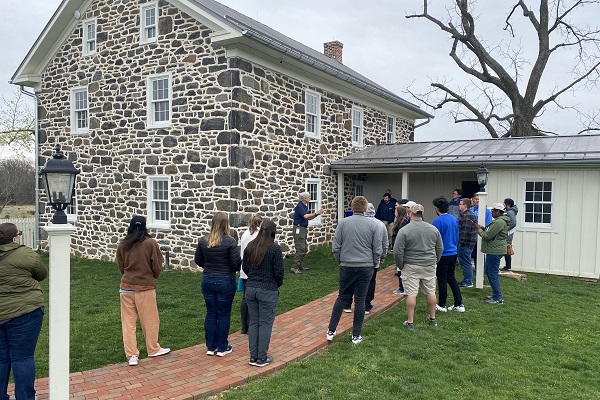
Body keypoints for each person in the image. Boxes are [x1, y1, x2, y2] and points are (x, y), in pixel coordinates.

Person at [326, 196, 383, 345]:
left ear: (352, 208)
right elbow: (377, 248)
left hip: (347, 265)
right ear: (365, 208)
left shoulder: (343, 223)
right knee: (360, 300)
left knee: (342, 297)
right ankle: (356, 335)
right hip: (366, 266)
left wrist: (341, 261)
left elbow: (336, 247)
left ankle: (331, 330)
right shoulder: (374, 225)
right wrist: (375, 263)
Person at [0, 223, 47, 400]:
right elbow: (41, 274)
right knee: (22, 358)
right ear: (14, 238)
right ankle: (26, 397)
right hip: (25, 312)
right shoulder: (26, 254)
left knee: (2, 359)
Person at [116, 216, 170, 367]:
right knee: (150, 320)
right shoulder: (151, 243)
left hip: (125, 288)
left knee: (128, 323)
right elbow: (157, 265)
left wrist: (127, 276)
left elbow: (120, 265)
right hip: (145, 288)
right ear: (145, 227)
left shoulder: (123, 244)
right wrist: (153, 276)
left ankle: (132, 355)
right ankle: (153, 348)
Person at [195, 212, 241, 357]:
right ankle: (222, 347)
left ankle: (210, 346)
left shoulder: (204, 241)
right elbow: (236, 264)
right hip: (225, 280)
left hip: (208, 279)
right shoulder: (230, 242)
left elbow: (198, 260)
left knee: (211, 313)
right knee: (223, 314)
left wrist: (209, 266)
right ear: (225, 224)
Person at [393, 204, 443, 330]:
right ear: (422, 214)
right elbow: (440, 248)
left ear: (411, 214)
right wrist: (435, 260)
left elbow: (397, 251)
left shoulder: (404, 230)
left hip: (411, 265)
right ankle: (432, 318)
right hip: (429, 265)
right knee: (431, 291)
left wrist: (400, 265)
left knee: (411, 293)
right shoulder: (433, 229)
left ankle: (410, 321)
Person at [242, 220, 284, 367]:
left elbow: (245, 268)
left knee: (254, 322)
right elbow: (279, 273)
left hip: (251, 289)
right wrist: (275, 284)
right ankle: (261, 357)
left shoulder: (250, 247)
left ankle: (253, 356)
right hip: (267, 290)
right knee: (265, 324)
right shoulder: (274, 249)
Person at [343, 203, 388, 314]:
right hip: (370, 260)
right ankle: (366, 305)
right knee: (370, 282)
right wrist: (382, 256)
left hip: (350, 259)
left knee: (350, 282)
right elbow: (384, 243)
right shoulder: (379, 224)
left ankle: (347, 304)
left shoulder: (349, 222)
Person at [432, 197, 465, 313]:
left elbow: (434, 239)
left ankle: (442, 304)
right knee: (451, 278)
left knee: (441, 279)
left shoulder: (437, 222)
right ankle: (459, 303)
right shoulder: (453, 219)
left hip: (443, 254)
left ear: (437, 209)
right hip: (453, 252)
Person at [473, 203, 511, 304]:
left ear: (498, 212)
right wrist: (483, 228)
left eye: (493, 211)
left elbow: (487, 236)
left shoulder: (499, 222)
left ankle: (498, 297)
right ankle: (495, 295)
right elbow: (492, 233)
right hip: (494, 250)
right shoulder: (499, 222)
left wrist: (478, 229)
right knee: (490, 272)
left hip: (495, 251)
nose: (491, 212)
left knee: (492, 274)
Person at [239, 213, 263, 334]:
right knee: (255, 299)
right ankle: (253, 325)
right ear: (260, 223)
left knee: (245, 298)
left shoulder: (244, 234)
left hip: (244, 269)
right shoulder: (260, 234)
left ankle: (244, 326)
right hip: (255, 270)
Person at [291, 192, 323, 274]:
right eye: (308, 197)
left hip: (303, 229)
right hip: (299, 229)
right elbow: (305, 216)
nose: (310, 198)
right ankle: (295, 267)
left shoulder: (304, 206)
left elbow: (308, 218)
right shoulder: (300, 206)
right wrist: (316, 213)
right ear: (304, 198)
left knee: (304, 248)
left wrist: (316, 215)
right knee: (300, 248)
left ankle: (300, 266)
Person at [457, 198, 478, 288]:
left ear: (465, 206)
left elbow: (465, 232)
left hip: (465, 244)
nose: (459, 205)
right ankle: (468, 279)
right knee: (466, 262)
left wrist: (461, 243)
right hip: (468, 243)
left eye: (461, 204)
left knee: (465, 262)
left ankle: (468, 281)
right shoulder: (467, 215)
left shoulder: (466, 216)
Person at [470, 193, 493, 269]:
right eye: (476, 199)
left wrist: (481, 228)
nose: (477, 201)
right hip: (470, 235)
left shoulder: (486, 211)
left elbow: (488, 224)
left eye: (479, 199)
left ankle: (481, 270)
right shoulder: (471, 210)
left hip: (480, 235)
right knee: (472, 253)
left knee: (479, 254)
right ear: (473, 200)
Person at [391, 205, 409, 295]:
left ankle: (402, 288)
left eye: (396, 211)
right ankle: (403, 287)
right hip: (399, 248)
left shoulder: (402, 223)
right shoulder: (400, 221)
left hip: (401, 250)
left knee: (400, 269)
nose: (394, 212)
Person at [502, 198, 518, 272]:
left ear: (507, 204)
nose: (503, 204)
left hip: (509, 233)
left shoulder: (510, 212)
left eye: (504, 203)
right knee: (506, 247)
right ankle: (507, 266)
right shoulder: (508, 211)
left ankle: (508, 267)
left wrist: (506, 228)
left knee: (507, 247)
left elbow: (513, 223)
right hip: (508, 232)